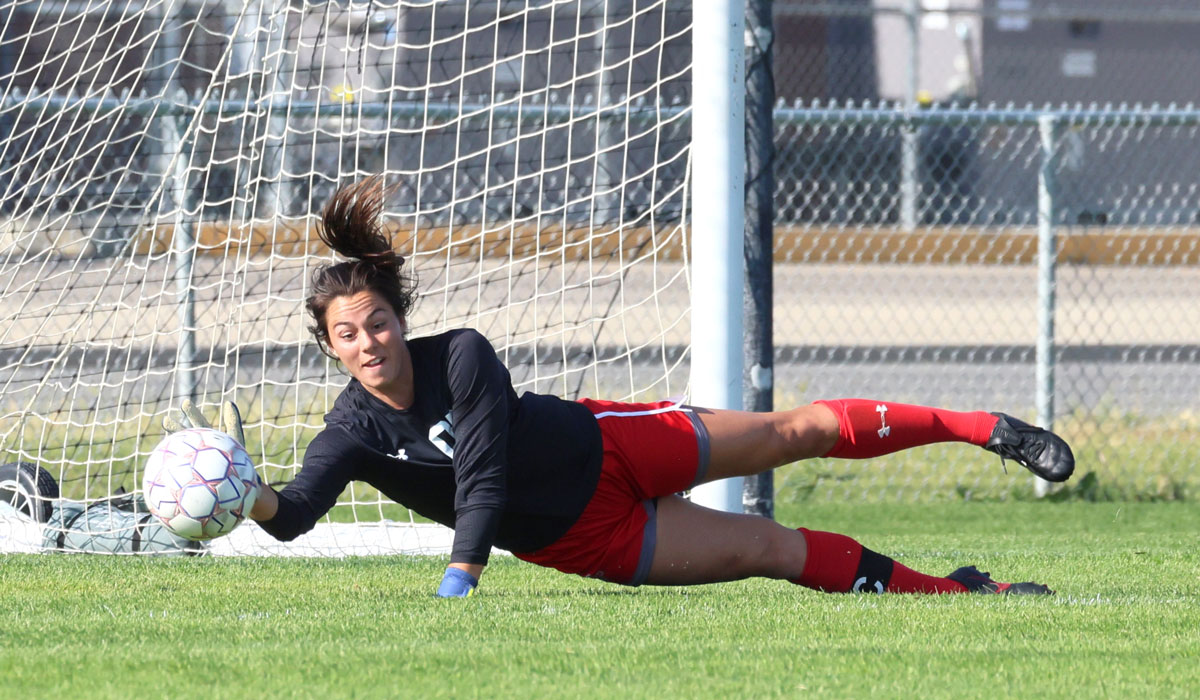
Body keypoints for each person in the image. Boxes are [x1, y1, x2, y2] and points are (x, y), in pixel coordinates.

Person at [187, 176, 1075, 597]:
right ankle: (966, 597)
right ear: (332, 349)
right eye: (348, 335)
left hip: (609, 440)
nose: (369, 341)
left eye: (377, 321)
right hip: (591, 534)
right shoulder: (350, 434)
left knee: (791, 429)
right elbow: (297, 514)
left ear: (398, 317)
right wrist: (247, 495)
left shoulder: (461, 354)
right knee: (770, 546)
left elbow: (485, 475)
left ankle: (981, 426)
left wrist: (462, 574)